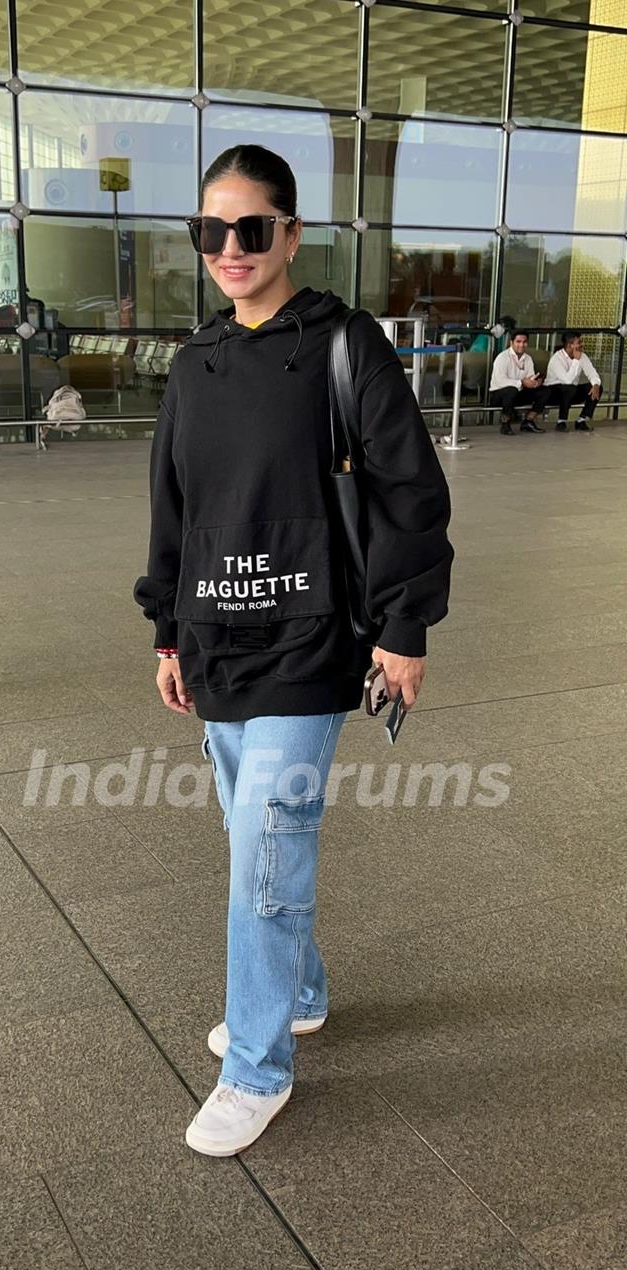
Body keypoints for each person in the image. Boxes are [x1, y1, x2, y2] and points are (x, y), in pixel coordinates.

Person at [133, 144, 453, 1158]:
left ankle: (258, 1064)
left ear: (291, 234)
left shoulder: (344, 344)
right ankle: (301, 988)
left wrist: (406, 629)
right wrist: (166, 628)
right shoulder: (194, 363)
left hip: (315, 642)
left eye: (251, 229)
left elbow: (410, 490)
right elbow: (174, 507)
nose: (230, 248)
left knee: (267, 844)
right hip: (217, 642)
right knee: (253, 841)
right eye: (210, 231)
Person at [531, 330, 602, 431]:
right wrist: (576, 361)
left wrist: (595, 385)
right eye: (579, 343)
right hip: (553, 393)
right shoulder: (557, 358)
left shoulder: (582, 356)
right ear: (570, 345)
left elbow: (592, 373)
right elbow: (567, 380)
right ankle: (561, 422)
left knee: (597, 387)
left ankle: (581, 420)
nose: (582, 345)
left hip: (571, 393)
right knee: (569, 388)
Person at [488, 328, 545, 434]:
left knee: (544, 391)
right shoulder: (502, 358)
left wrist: (535, 383)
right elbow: (500, 381)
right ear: (511, 342)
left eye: (524, 342)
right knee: (511, 390)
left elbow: (529, 378)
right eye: (518, 342)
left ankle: (528, 421)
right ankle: (505, 424)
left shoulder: (528, 359)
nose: (522, 345)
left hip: (519, 393)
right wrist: (522, 382)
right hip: (498, 394)